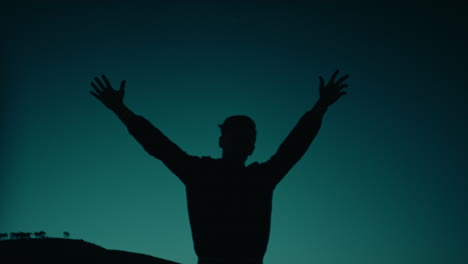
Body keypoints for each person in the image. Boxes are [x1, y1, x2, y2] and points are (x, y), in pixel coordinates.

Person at [90, 70, 349, 264]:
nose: (239, 142)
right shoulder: (200, 172)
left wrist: (321, 106)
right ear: (222, 141)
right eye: (235, 136)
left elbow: (294, 146)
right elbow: (158, 144)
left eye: (245, 139)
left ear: (251, 148)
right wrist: (120, 110)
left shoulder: (260, 178)